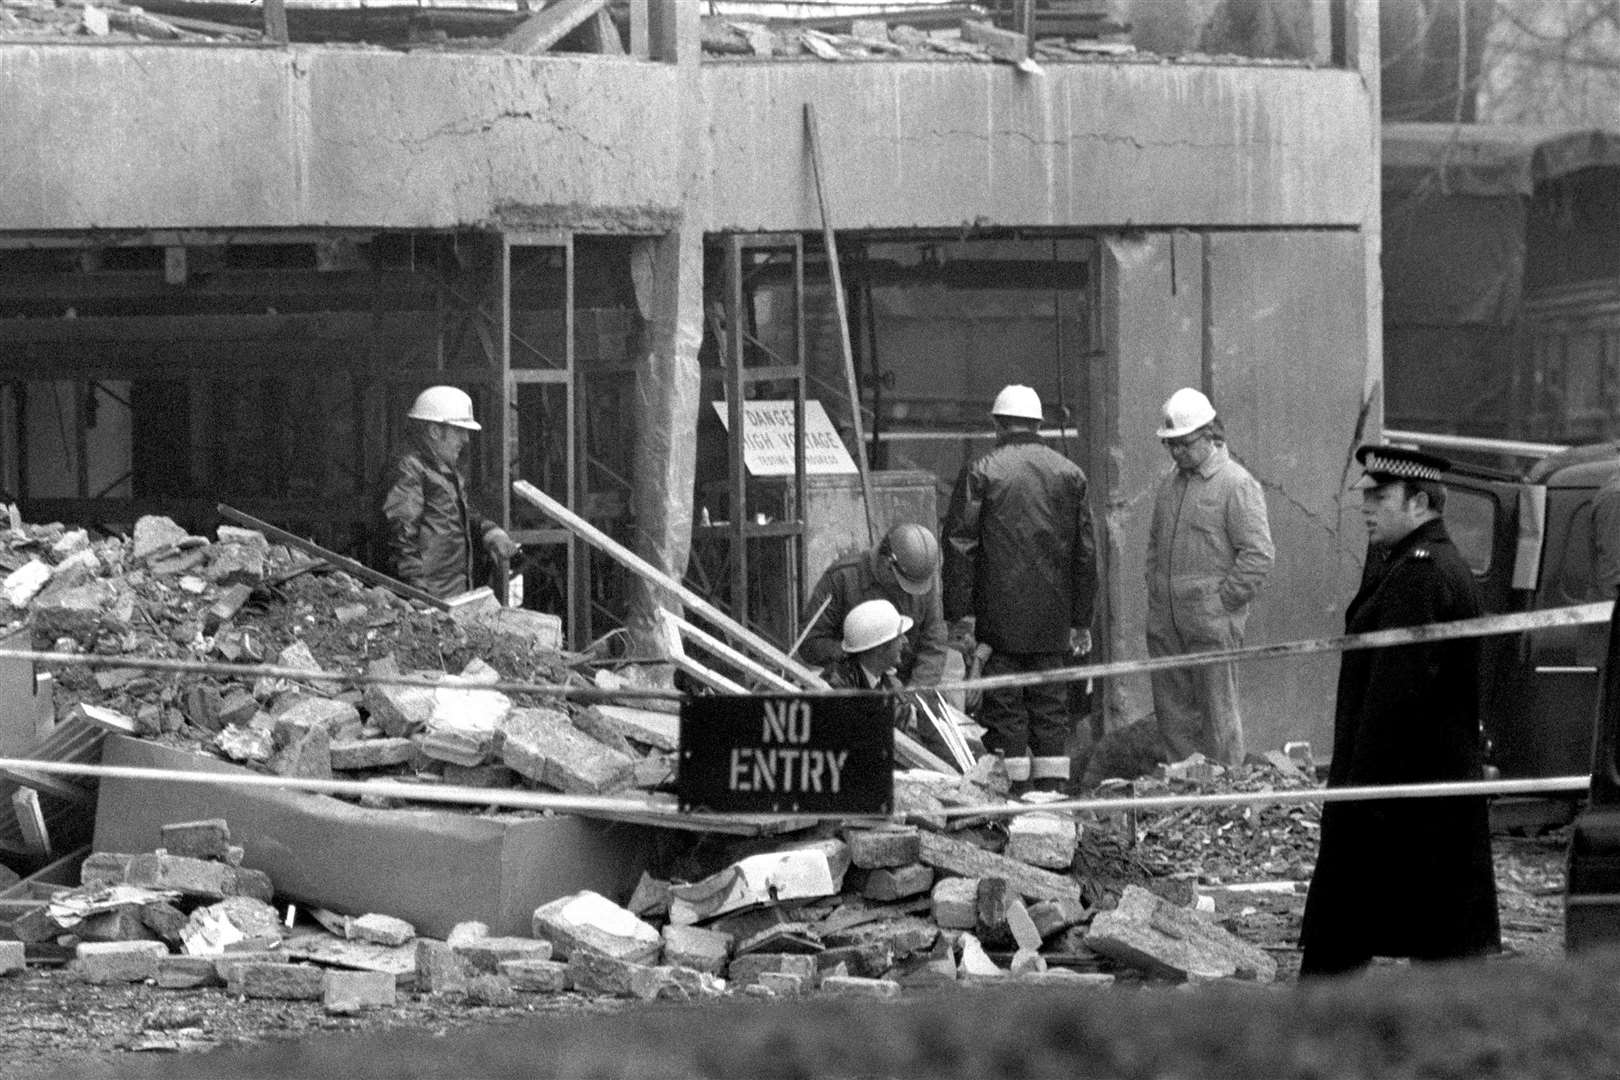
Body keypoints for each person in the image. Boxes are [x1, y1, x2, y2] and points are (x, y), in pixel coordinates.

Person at [1298, 445, 1501, 978]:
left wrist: (1360, 794)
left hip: (1397, 793)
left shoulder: (1421, 574)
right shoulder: (1417, 565)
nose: (1366, 506)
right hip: (1419, 795)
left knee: (1347, 938)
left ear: (1419, 503)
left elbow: (1396, 696)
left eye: (1380, 496)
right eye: (1365, 494)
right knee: (1436, 945)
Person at [942, 384, 1098, 793]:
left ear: (997, 425)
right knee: (1051, 711)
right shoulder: (1071, 475)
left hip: (998, 627)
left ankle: (1010, 804)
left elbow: (960, 547)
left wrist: (961, 615)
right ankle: (1051, 801)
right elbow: (1085, 555)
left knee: (1006, 711)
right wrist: (1081, 621)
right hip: (1053, 626)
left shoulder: (981, 472)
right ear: (1039, 425)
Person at [1145, 387, 1274, 767]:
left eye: (1183, 444)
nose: (1176, 452)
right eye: (1171, 446)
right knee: (1173, 718)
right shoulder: (1170, 485)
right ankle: (1185, 793)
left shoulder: (1236, 484)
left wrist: (1221, 604)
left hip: (1211, 625)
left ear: (1209, 435)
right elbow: (1154, 546)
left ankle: (1225, 793)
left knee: (1218, 718)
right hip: (1166, 624)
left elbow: (1258, 555)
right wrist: (1156, 592)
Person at [380, 385, 519, 599]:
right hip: (431, 598)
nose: (466, 439)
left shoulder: (440, 469)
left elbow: (453, 513)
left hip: (449, 595)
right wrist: (418, 596)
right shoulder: (409, 468)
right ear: (435, 431)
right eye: (459, 431)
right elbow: (401, 536)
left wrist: (489, 532)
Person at [797, 522, 949, 688]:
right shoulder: (843, 578)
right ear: (887, 564)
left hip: (907, 684)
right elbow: (810, 643)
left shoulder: (920, 579)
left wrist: (914, 694)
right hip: (853, 685)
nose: (907, 592)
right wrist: (864, 659)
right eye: (903, 583)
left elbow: (934, 646)